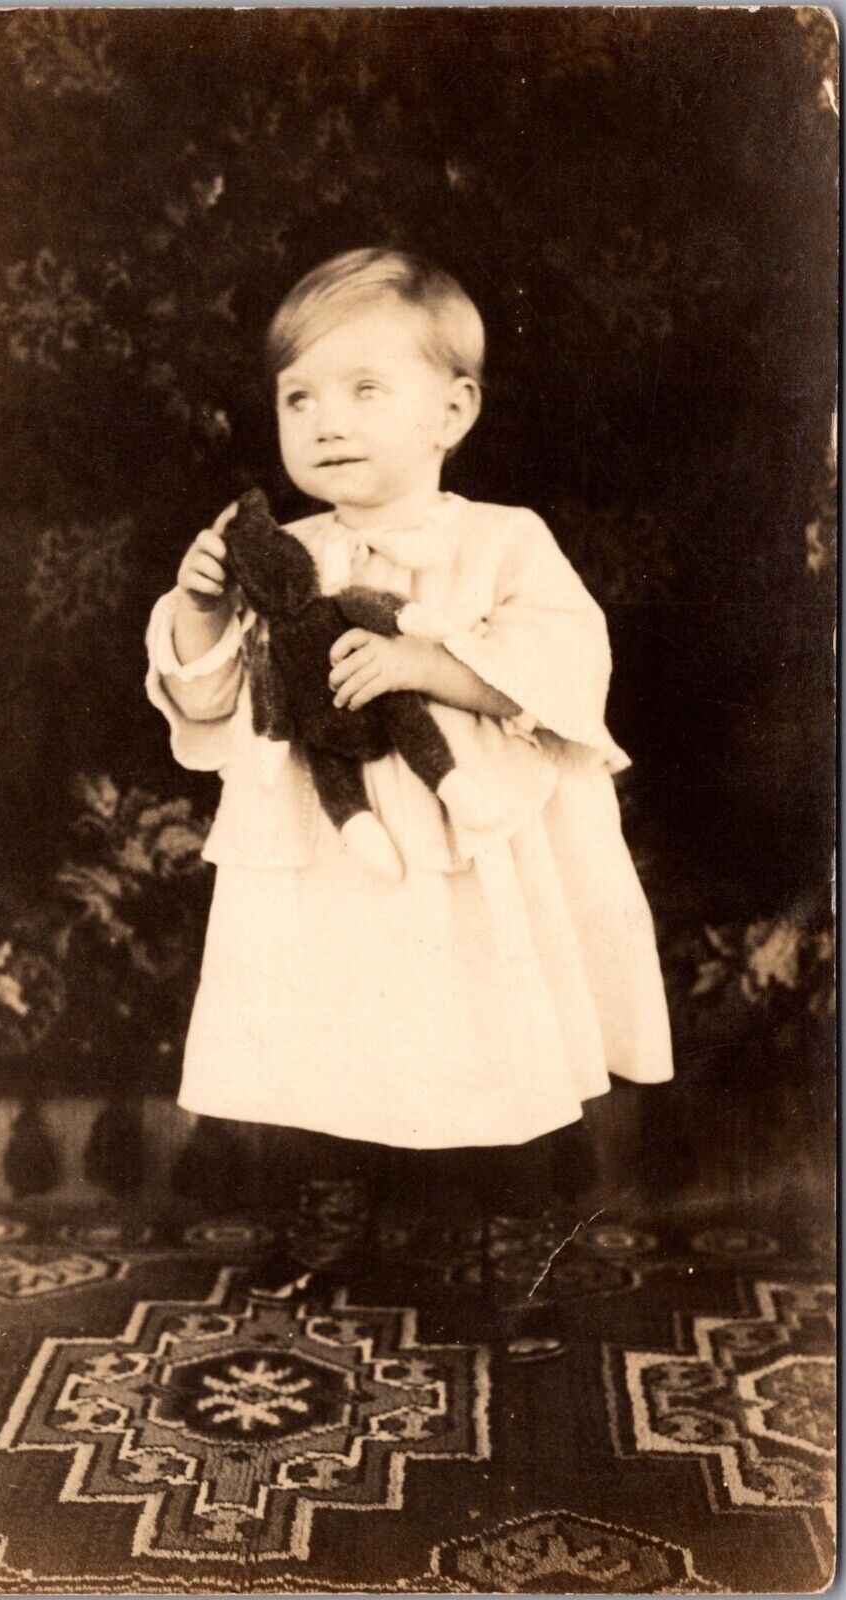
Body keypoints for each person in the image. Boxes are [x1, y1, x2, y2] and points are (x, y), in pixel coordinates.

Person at [145, 248, 673, 1298]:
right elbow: (207, 698)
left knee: (479, 1013)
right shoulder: (277, 553)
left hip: (456, 853)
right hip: (326, 852)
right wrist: (202, 605)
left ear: (452, 409)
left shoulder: (500, 541)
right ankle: (328, 1212)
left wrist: (436, 664)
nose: (326, 421)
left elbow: (570, 663)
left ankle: (509, 1219)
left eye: (364, 390)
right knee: (326, 1020)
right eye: (301, 397)